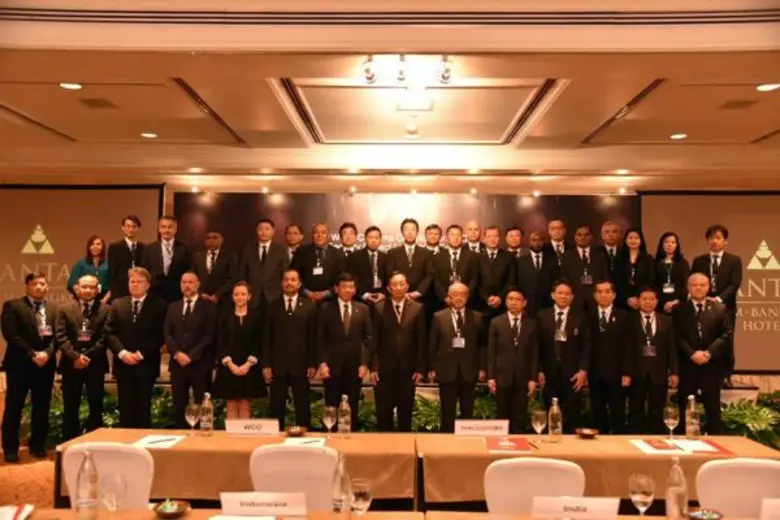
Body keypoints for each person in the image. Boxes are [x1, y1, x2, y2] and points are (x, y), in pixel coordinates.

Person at [1, 273, 58, 462]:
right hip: (20, 365)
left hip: (45, 366)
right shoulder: (13, 306)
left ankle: (38, 446)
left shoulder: (54, 309)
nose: (39, 287)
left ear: (47, 287)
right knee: (14, 406)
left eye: (43, 283)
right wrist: (32, 354)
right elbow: (11, 334)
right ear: (27, 286)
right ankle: (10, 449)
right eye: (35, 284)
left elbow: (58, 336)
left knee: (42, 407)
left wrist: (47, 354)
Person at [105, 267, 166, 428]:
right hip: (123, 365)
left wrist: (140, 354)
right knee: (125, 410)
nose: (135, 284)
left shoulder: (159, 305)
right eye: (132, 281)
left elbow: (160, 335)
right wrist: (122, 353)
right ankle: (126, 442)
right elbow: (109, 332)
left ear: (148, 285)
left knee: (142, 409)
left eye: (139, 281)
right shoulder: (117, 303)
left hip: (146, 365)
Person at [674, 273, 732, 434]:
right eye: (694, 285)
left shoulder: (720, 308)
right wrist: (691, 353)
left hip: (711, 366)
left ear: (708, 287)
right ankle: (682, 441)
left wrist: (708, 353)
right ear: (688, 287)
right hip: (688, 365)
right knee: (685, 406)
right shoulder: (679, 310)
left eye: (702, 285)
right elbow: (677, 336)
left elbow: (726, 334)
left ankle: (715, 441)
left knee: (712, 408)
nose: (698, 288)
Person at [55, 274, 110, 441]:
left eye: (91, 287)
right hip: (71, 364)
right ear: (77, 288)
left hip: (95, 364)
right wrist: (75, 356)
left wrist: (86, 357)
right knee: (70, 407)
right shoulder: (64, 309)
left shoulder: (106, 310)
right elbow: (60, 336)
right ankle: (69, 443)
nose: (87, 290)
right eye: (84, 286)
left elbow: (105, 337)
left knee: (96, 406)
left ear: (98, 289)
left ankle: (95, 442)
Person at [371, 272, 427, 432]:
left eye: (402, 284)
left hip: (408, 370)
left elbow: (422, 340)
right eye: (394, 284)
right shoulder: (379, 308)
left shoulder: (418, 308)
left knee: (405, 415)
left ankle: (405, 446)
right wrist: (374, 367)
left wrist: (420, 368)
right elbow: (373, 340)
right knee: (383, 415)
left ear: (407, 286)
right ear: (388, 288)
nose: (398, 287)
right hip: (384, 370)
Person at [262, 269, 318, 429]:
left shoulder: (309, 306)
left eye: (293, 280)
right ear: (282, 283)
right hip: (277, 365)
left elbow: (313, 337)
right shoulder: (272, 306)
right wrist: (266, 364)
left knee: (303, 407)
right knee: (276, 407)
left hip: (301, 364)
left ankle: (304, 439)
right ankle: (276, 439)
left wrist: (312, 363)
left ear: (299, 284)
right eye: (286, 279)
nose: (289, 283)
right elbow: (266, 337)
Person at [317, 273, 373, 429]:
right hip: (331, 366)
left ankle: (351, 436)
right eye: (344, 286)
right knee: (331, 404)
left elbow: (368, 338)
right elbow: (320, 338)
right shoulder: (325, 308)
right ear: (336, 288)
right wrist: (322, 363)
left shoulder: (363, 309)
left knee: (352, 403)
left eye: (351, 287)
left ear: (355, 289)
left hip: (355, 366)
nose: (348, 290)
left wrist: (364, 363)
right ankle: (331, 436)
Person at [429, 282, 485, 433]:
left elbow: (482, 346)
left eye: (462, 294)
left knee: (468, 410)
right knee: (447, 411)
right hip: (446, 370)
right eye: (455, 294)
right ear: (449, 296)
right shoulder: (438, 317)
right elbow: (433, 344)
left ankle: (466, 443)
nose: (459, 297)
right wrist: (432, 368)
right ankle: (446, 441)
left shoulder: (477, 317)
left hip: (469, 370)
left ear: (467, 296)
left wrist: (482, 368)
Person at [164, 272, 217, 428]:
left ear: (198, 284)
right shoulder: (173, 307)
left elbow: (209, 335)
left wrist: (191, 356)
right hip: (178, 364)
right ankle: (181, 434)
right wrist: (176, 353)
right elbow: (167, 333)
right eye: (184, 282)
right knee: (179, 403)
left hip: (200, 363)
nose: (187, 285)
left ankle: (203, 436)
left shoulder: (209, 307)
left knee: (203, 403)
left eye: (190, 282)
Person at [690, 224, 742, 380]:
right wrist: (704, 298)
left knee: (726, 342)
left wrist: (718, 299)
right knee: (704, 340)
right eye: (711, 238)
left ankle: (726, 376)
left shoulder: (734, 260)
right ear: (707, 240)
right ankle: (704, 375)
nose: (714, 241)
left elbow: (734, 285)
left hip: (726, 307)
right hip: (702, 306)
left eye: (718, 238)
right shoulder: (699, 261)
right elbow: (694, 282)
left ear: (725, 241)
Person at [537, 279, 590, 432]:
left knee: (573, 415)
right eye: (560, 293)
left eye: (567, 294)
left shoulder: (581, 317)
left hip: (573, 375)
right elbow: (537, 345)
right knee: (551, 414)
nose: (563, 296)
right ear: (553, 295)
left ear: (572, 297)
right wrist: (539, 369)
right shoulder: (542, 316)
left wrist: (583, 370)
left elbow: (587, 345)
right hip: (549, 374)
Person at [487, 288, 539, 434]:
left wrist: (533, 378)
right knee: (502, 416)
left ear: (525, 303)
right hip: (502, 376)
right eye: (510, 299)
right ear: (505, 302)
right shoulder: (496, 322)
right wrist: (491, 376)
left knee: (520, 418)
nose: (514, 302)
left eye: (518, 299)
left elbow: (535, 353)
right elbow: (491, 351)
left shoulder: (532, 324)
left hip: (523, 377)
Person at [628, 287, 678, 434]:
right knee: (635, 409)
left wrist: (674, 372)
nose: (648, 302)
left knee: (657, 410)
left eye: (651, 299)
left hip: (659, 372)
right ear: (638, 301)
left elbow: (672, 348)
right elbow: (625, 348)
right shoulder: (629, 320)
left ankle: (656, 438)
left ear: (656, 301)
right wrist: (626, 372)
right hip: (636, 371)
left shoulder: (667, 320)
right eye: (644, 299)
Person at [213, 282, 264, 419]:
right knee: (231, 403)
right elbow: (220, 341)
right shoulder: (224, 316)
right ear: (232, 297)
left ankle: (243, 433)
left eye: (243, 294)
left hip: (249, 366)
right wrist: (230, 364)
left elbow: (259, 342)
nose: (239, 297)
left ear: (249, 296)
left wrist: (248, 364)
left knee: (245, 403)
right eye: (236, 294)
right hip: (229, 366)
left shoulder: (257, 316)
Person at [588, 280, 631, 434]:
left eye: (607, 291)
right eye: (599, 292)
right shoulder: (587, 315)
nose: (603, 295)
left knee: (617, 413)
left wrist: (627, 372)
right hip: (595, 373)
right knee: (597, 413)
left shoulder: (624, 316)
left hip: (617, 373)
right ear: (594, 295)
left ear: (614, 295)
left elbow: (628, 346)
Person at [142, 215, 192, 304]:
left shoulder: (184, 248)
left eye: (170, 227)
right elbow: (145, 272)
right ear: (159, 229)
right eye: (163, 227)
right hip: (154, 294)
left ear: (175, 229)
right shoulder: (149, 248)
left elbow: (189, 270)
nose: (166, 230)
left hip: (177, 294)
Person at [240, 218, 289, 309]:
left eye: (267, 229)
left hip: (274, 297)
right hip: (252, 298)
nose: (263, 232)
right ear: (256, 231)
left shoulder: (280, 251)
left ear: (273, 231)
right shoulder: (248, 250)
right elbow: (242, 274)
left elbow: (285, 274)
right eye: (260, 229)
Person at [293, 222, 346, 303]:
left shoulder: (338, 254)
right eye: (316, 233)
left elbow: (341, 278)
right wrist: (307, 293)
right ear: (312, 235)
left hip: (330, 300)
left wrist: (327, 293)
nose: (319, 235)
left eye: (323, 233)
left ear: (328, 235)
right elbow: (294, 274)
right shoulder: (301, 251)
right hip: (305, 299)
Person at [561, 224, 608, 313]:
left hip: (595, 302)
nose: (582, 238)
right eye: (579, 235)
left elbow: (604, 277)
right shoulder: (567, 256)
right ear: (575, 237)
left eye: (586, 235)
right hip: (574, 302)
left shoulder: (600, 255)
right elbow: (564, 278)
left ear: (591, 237)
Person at [386, 218, 433, 304]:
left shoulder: (426, 253)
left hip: (421, 299)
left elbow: (429, 275)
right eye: (406, 229)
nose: (410, 232)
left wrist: (418, 292)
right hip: (398, 297)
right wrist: (401, 291)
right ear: (402, 232)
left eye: (413, 229)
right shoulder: (393, 253)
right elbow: (390, 274)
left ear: (417, 232)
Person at [433, 224, 479, 310]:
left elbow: (474, 278)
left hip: (467, 303)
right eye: (452, 235)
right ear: (447, 238)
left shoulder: (472, 256)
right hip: (444, 303)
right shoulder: (438, 257)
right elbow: (436, 280)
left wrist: (465, 296)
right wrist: (444, 297)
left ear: (463, 238)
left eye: (458, 235)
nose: (456, 238)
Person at [192, 230, 239, 309]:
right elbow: (193, 278)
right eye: (208, 238)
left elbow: (233, 279)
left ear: (221, 240)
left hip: (223, 301)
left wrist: (217, 295)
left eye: (215, 237)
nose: (211, 240)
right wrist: (200, 293)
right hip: (201, 301)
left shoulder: (230, 256)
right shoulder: (197, 256)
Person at [478, 225, 515, 322]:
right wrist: (486, 298)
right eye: (489, 236)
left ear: (499, 238)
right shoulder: (477, 257)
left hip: (503, 305)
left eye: (495, 236)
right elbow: (476, 281)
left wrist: (500, 297)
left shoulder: (509, 257)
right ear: (484, 239)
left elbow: (511, 280)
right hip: (482, 305)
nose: (492, 239)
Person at [516, 230, 558, 316]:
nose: (537, 243)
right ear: (529, 242)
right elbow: (517, 282)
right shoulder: (520, 261)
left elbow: (556, 281)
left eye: (540, 240)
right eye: (534, 240)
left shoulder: (552, 260)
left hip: (547, 304)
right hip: (527, 305)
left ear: (543, 242)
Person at [614, 228, 655, 311]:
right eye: (630, 238)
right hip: (622, 301)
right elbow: (616, 281)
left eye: (636, 238)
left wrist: (639, 297)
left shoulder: (648, 259)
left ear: (641, 241)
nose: (633, 241)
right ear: (625, 240)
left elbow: (651, 280)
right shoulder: (619, 259)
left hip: (643, 301)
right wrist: (627, 298)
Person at [107, 214, 145, 302]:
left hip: (139, 291)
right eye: (128, 226)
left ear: (139, 228)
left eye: (134, 226)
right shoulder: (114, 247)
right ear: (123, 228)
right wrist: (114, 294)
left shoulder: (144, 247)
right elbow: (112, 272)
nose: (131, 229)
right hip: (121, 291)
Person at [348, 226, 388, 307]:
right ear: (365, 239)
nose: (373, 240)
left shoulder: (386, 257)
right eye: (370, 237)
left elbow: (388, 279)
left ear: (380, 240)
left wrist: (384, 294)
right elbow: (352, 279)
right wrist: (365, 295)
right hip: (360, 300)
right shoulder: (354, 257)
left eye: (376, 238)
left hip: (381, 300)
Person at [654, 232, 690, 315]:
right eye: (666, 242)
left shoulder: (683, 263)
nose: (669, 245)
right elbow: (653, 285)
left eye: (673, 242)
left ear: (677, 245)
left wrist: (675, 301)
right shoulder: (655, 263)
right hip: (659, 303)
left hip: (679, 302)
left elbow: (687, 285)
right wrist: (663, 302)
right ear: (661, 244)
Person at [68, 235, 110, 303]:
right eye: (92, 244)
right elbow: (72, 283)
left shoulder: (109, 264)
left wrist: (104, 300)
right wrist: (83, 299)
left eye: (98, 244)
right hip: (83, 300)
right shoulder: (81, 263)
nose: (95, 246)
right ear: (89, 247)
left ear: (103, 246)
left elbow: (113, 286)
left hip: (105, 300)